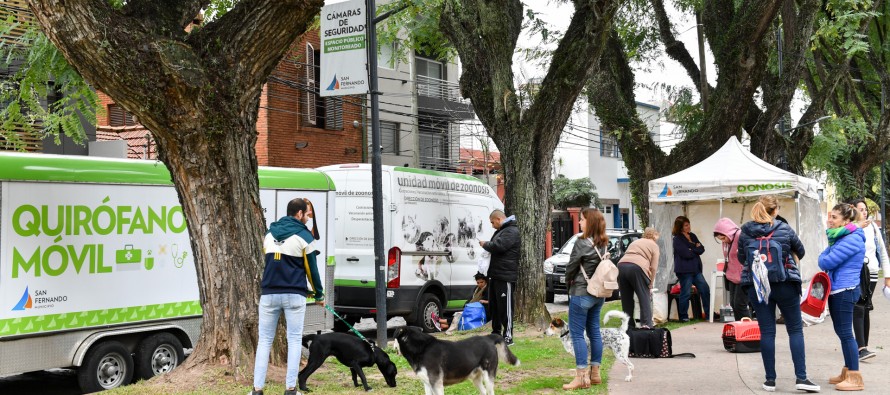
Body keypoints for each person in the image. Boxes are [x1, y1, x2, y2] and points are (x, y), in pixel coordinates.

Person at [738, 195, 819, 392]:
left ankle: (770, 381)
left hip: (758, 285)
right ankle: (801, 377)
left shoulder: (745, 231)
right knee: (795, 330)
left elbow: (742, 258)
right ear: (775, 211)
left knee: (767, 331)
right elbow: (801, 251)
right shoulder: (784, 228)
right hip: (785, 283)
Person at [250, 198, 325, 395]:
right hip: (294, 295)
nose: (309, 219)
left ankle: (257, 390)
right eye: (308, 215)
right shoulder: (305, 237)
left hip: (269, 294)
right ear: (299, 214)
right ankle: (290, 390)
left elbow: (274, 261)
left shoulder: (269, 233)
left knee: (264, 340)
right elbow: (312, 271)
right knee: (293, 340)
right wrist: (319, 294)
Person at [819, 203, 866, 391]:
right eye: (830, 216)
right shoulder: (841, 237)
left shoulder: (852, 239)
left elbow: (826, 260)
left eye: (835, 217)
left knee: (846, 333)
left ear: (846, 221)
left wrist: (824, 254)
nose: (830, 220)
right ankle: (847, 372)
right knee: (842, 332)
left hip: (845, 289)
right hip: (839, 288)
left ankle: (855, 378)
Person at [561, 208, 608, 390]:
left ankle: (581, 376)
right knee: (594, 331)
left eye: (582, 220)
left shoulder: (581, 242)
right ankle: (595, 374)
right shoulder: (603, 241)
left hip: (581, 292)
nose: (579, 223)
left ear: (590, 222)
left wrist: (567, 283)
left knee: (577, 334)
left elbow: (572, 266)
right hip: (598, 293)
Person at [850, 199, 889, 361]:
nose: (864, 212)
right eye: (861, 209)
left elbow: (882, 251)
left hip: (872, 273)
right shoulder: (849, 228)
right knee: (858, 306)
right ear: (853, 210)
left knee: (865, 307)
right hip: (857, 272)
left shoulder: (873, 227)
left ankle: (863, 345)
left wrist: (887, 276)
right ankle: (861, 348)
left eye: (865, 209)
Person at [480, 209, 520, 345]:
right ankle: (495, 333)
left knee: (506, 307)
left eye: (492, 222)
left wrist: (485, 244)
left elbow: (499, 246)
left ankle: (508, 336)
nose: (492, 225)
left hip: (505, 275)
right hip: (496, 274)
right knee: (495, 307)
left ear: (498, 219)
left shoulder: (511, 231)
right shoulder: (501, 231)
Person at [617, 227, 660, 328]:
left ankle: (627, 326)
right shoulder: (654, 245)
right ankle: (646, 325)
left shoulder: (635, 242)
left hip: (621, 266)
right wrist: (650, 284)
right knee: (644, 297)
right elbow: (653, 268)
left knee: (626, 299)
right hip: (637, 267)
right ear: (654, 235)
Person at [672, 216, 710, 322]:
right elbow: (685, 254)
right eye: (686, 225)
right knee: (686, 292)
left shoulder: (692, 236)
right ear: (680, 227)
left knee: (705, 289)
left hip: (696, 269)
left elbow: (702, 249)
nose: (689, 227)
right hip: (684, 270)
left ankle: (708, 314)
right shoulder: (677, 239)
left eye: (689, 224)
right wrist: (695, 247)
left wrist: (692, 248)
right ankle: (684, 316)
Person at [713, 218, 751, 320]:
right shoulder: (726, 242)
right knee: (734, 305)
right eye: (720, 239)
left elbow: (748, 253)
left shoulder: (740, 236)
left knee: (740, 304)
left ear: (728, 233)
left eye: (723, 238)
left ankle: (749, 328)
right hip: (731, 275)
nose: (723, 241)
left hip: (742, 275)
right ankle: (739, 327)